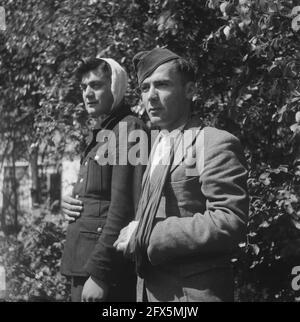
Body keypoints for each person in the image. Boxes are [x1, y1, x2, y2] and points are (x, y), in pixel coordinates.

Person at [114, 48, 249, 302]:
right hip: (151, 293)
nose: (151, 97)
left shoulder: (214, 141)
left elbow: (230, 221)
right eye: (144, 88)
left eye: (162, 85)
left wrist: (149, 234)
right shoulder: (157, 145)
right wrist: (137, 226)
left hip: (193, 294)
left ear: (190, 91)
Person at [60, 57, 147, 302]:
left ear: (115, 87)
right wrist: (70, 204)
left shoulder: (130, 129)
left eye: (96, 85)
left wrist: (100, 274)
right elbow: (98, 198)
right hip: (83, 263)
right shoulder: (104, 132)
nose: (87, 93)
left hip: (103, 271)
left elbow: (125, 209)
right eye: (83, 87)